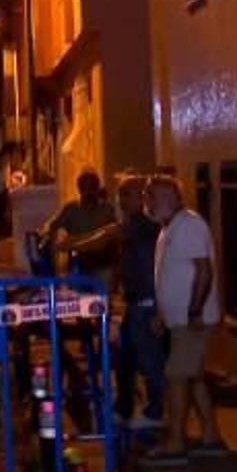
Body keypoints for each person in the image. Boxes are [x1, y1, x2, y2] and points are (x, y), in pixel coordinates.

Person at [70, 173, 167, 428]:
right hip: (136, 302)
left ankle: (155, 413)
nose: (121, 200)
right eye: (119, 194)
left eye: (127, 194)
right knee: (126, 358)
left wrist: (73, 245)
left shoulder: (144, 222)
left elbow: (108, 234)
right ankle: (125, 408)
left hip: (146, 302)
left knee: (148, 360)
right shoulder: (135, 223)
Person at [142, 176, 225, 467]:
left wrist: (193, 311)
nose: (148, 203)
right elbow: (172, 275)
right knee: (194, 377)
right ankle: (211, 438)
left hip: (192, 321)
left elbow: (204, 271)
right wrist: (163, 314)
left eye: (152, 197)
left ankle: (175, 443)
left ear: (170, 198)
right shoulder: (170, 228)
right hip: (182, 320)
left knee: (176, 377)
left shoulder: (189, 225)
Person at [41, 170, 119, 281]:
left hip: (103, 264)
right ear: (79, 188)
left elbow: (115, 236)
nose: (89, 192)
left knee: (103, 290)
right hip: (79, 264)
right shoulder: (71, 210)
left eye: (92, 187)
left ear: (97, 188)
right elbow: (52, 227)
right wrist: (54, 261)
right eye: (85, 187)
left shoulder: (108, 209)